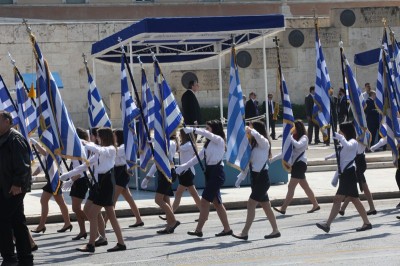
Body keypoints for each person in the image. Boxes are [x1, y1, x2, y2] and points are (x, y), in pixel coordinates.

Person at [61, 127, 126, 253]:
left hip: (106, 184)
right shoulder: (99, 153)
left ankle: (91, 244)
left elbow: (100, 149)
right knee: (110, 215)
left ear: (104, 137)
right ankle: (120, 243)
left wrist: (86, 143)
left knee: (92, 214)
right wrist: (68, 175)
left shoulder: (111, 149)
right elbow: (85, 165)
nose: (97, 139)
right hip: (100, 184)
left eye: (99, 136)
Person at [176, 120, 232, 238]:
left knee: (204, 201)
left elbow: (209, 135)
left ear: (214, 129)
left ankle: (198, 230)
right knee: (217, 204)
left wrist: (194, 130)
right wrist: (183, 167)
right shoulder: (208, 144)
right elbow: (197, 158)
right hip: (210, 173)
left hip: (217, 173)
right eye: (205, 128)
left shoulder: (219, 140)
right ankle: (227, 229)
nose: (206, 131)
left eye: (208, 128)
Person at [316, 121, 372, 233]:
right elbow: (341, 152)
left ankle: (327, 224)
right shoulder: (345, 142)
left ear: (345, 131)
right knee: (355, 200)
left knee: (338, 199)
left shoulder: (353, 142)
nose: (339, 132)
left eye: (341, 130)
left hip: (349, 174)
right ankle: (366, 223)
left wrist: (340, 137)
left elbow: (347, 146)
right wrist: (329, 156)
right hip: (346, 174)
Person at [232, 121, 280, 240]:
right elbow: (249, 163)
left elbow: (259, 136)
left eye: (252, 128)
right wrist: (241, 177)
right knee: (266, 206)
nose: (249, 131)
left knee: (251, 203)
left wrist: (251, 130)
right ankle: (275, 230)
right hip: (255, 178)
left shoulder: (264, 143)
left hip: (262, 178)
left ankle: (244, 232)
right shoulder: (253, 145)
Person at [0, 111, 34, 266]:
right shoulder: (3, 138)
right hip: (5, 187)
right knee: (17, 222)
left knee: (3, 220)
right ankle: (25, 257)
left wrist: (17, 184)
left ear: (7, 121)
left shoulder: (15, 138)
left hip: (14, 188)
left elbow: (23, 165)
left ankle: (9, 258)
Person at [272, 120, 320, 214]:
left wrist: (289, 137)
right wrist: (272, 160)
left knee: (291, 187)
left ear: (298, 128)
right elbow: (284, 153)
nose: (293, 130)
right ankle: (315, 204)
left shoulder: (304, 137)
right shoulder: (293, 138)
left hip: (300, 164)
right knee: (305, 187)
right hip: (296, 165)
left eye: (294, 128)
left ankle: (283, 208)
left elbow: (298, 146)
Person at [30, 140, 72, 234]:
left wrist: (35, 143)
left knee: (44, 200)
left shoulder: (54, 150)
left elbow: (45, 154)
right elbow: (41, 166)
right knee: (60, 201)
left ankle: (41, 225)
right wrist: (32, 175)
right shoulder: (47, 151)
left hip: (56, 178)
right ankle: (67, 223)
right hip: (51, 179)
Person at [141, 136, 180, 234]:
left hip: (167, 173)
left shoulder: (171, 143)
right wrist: (148, 177)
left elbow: (167, 147)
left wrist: (155, 140)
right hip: (162, 173)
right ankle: (169, 226)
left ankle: (174, 221)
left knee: (158, 200)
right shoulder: (162, 144)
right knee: (166, 200)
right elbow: (156, 162)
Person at [105, 129, 143, 228]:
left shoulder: (123, 147)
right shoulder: (118, 147)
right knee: (129, 199)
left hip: (121, 172)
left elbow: (113, 154)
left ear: (119, 136)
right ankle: (139, 219)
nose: (113, 137)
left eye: (114, 135)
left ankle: (104, 222)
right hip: (118, 172)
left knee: (112, 200)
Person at [331, 139, 377, 216]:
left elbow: (354, 150)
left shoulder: (359, 136)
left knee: (360, 186)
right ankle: (343, 208)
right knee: (355, 187)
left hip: (358, 161)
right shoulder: (363, 135)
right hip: (359, 160)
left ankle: (371, 208)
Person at [171, 129, 201, 215]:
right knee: (190, 194)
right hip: (184, 171)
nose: (179, 136)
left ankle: (171, 214)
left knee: (180, 194)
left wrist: (176, 139)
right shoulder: (186, 144)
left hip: (187, 172)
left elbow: (177, 149)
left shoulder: (188, 145)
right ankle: (171, 213)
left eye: (180, 134)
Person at [68, 127, 90, 241]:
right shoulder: (74, 148)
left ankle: (94, 223)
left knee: (76, 208)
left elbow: (83, 167)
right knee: (76, 208)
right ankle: (82, 231)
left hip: (81, 179)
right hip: (75, 179)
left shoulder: (82, 147)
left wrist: (73, 179)